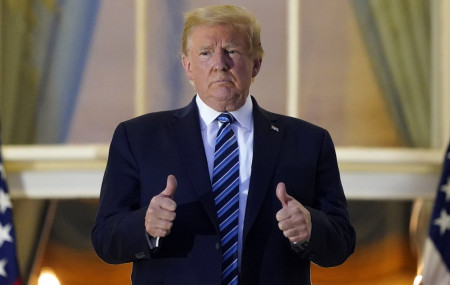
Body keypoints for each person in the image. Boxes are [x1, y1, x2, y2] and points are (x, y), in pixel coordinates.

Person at [91, 4, 355, 285]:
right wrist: (143, 225)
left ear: (256, 64)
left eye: (232, 51)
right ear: (188, 66)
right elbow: (105, 237)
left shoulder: (308, 142)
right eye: (206, 53)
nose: (220, 63)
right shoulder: (138, 138)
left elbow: (342, 240)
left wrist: (311, 227)